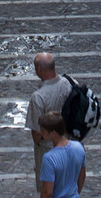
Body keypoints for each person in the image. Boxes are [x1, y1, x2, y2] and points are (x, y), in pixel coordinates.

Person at [26, 50, 72, 183]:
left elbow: (36, 133)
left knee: (49, 187)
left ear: (39, 69)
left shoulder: (38, 97)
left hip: (48, 148)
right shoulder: (69, 83)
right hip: (69, 143)